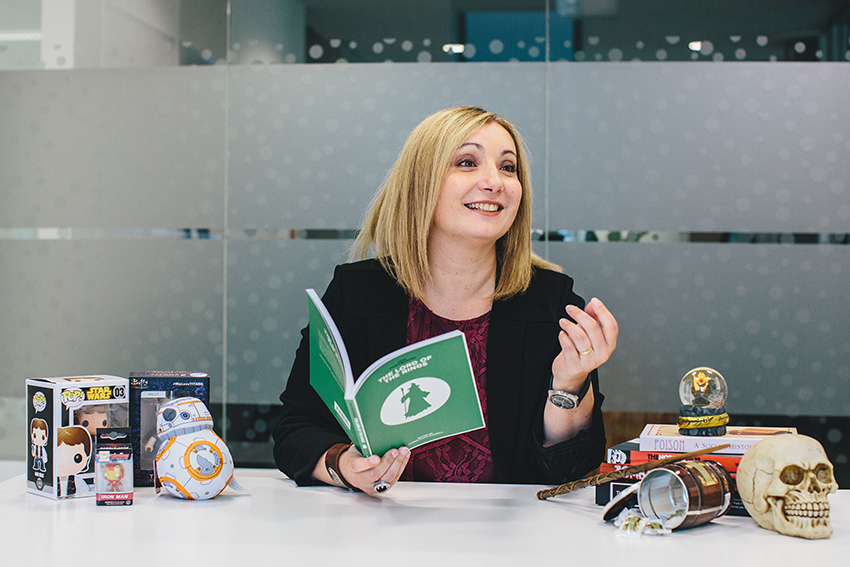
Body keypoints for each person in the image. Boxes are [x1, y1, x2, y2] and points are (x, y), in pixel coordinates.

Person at [273, 106, 618, 494]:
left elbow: (569, 471)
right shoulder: (358, 294)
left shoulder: (551, 302)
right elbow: (295, 432)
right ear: (420, 184)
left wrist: (569, 384)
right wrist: (343, 465)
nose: (494, 182)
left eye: (508, 168)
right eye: (467, 162)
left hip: (509, 542)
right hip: (378, 531)